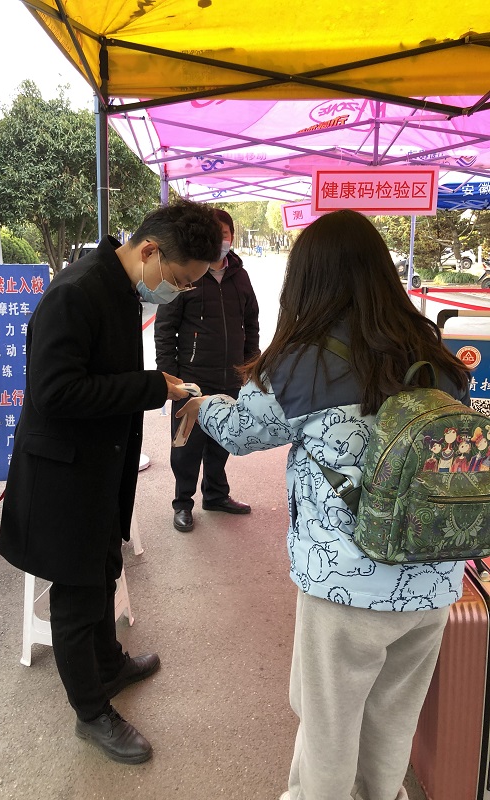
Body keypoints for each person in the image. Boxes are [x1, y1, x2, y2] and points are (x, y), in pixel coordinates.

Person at [176, 210, 470, 800]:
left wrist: (200, 402)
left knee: (329, 729)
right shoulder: (435, 357)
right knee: (392, 720)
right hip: (435, 581)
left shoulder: (304, 361)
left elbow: (242, 433)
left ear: (307, 279)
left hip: (347, 588)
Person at [0, 200, 222, 765]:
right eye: (179, 280)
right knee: (76, 597)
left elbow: (105, 375)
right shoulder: (76, 293)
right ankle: (91, 712)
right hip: (63, 474)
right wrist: (151, 388)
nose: (178, 291)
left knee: (103, 571)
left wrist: (152, 384)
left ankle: (109, 664)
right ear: (150, 251)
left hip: (99, 465)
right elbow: (55, 392)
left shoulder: (120, 289)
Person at [154, 208, 260, 533]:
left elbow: (251, 324)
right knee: (185, 445)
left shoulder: (240, 276)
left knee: (222, 441)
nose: (220, 240)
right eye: (214, 233)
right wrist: (169, 377)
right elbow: (164, 329)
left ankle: (216, 495)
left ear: (232, 237)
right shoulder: (185, 274)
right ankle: (182, 503)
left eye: (224, 233)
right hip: (192, 381)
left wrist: (250, 365)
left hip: (230, 378)